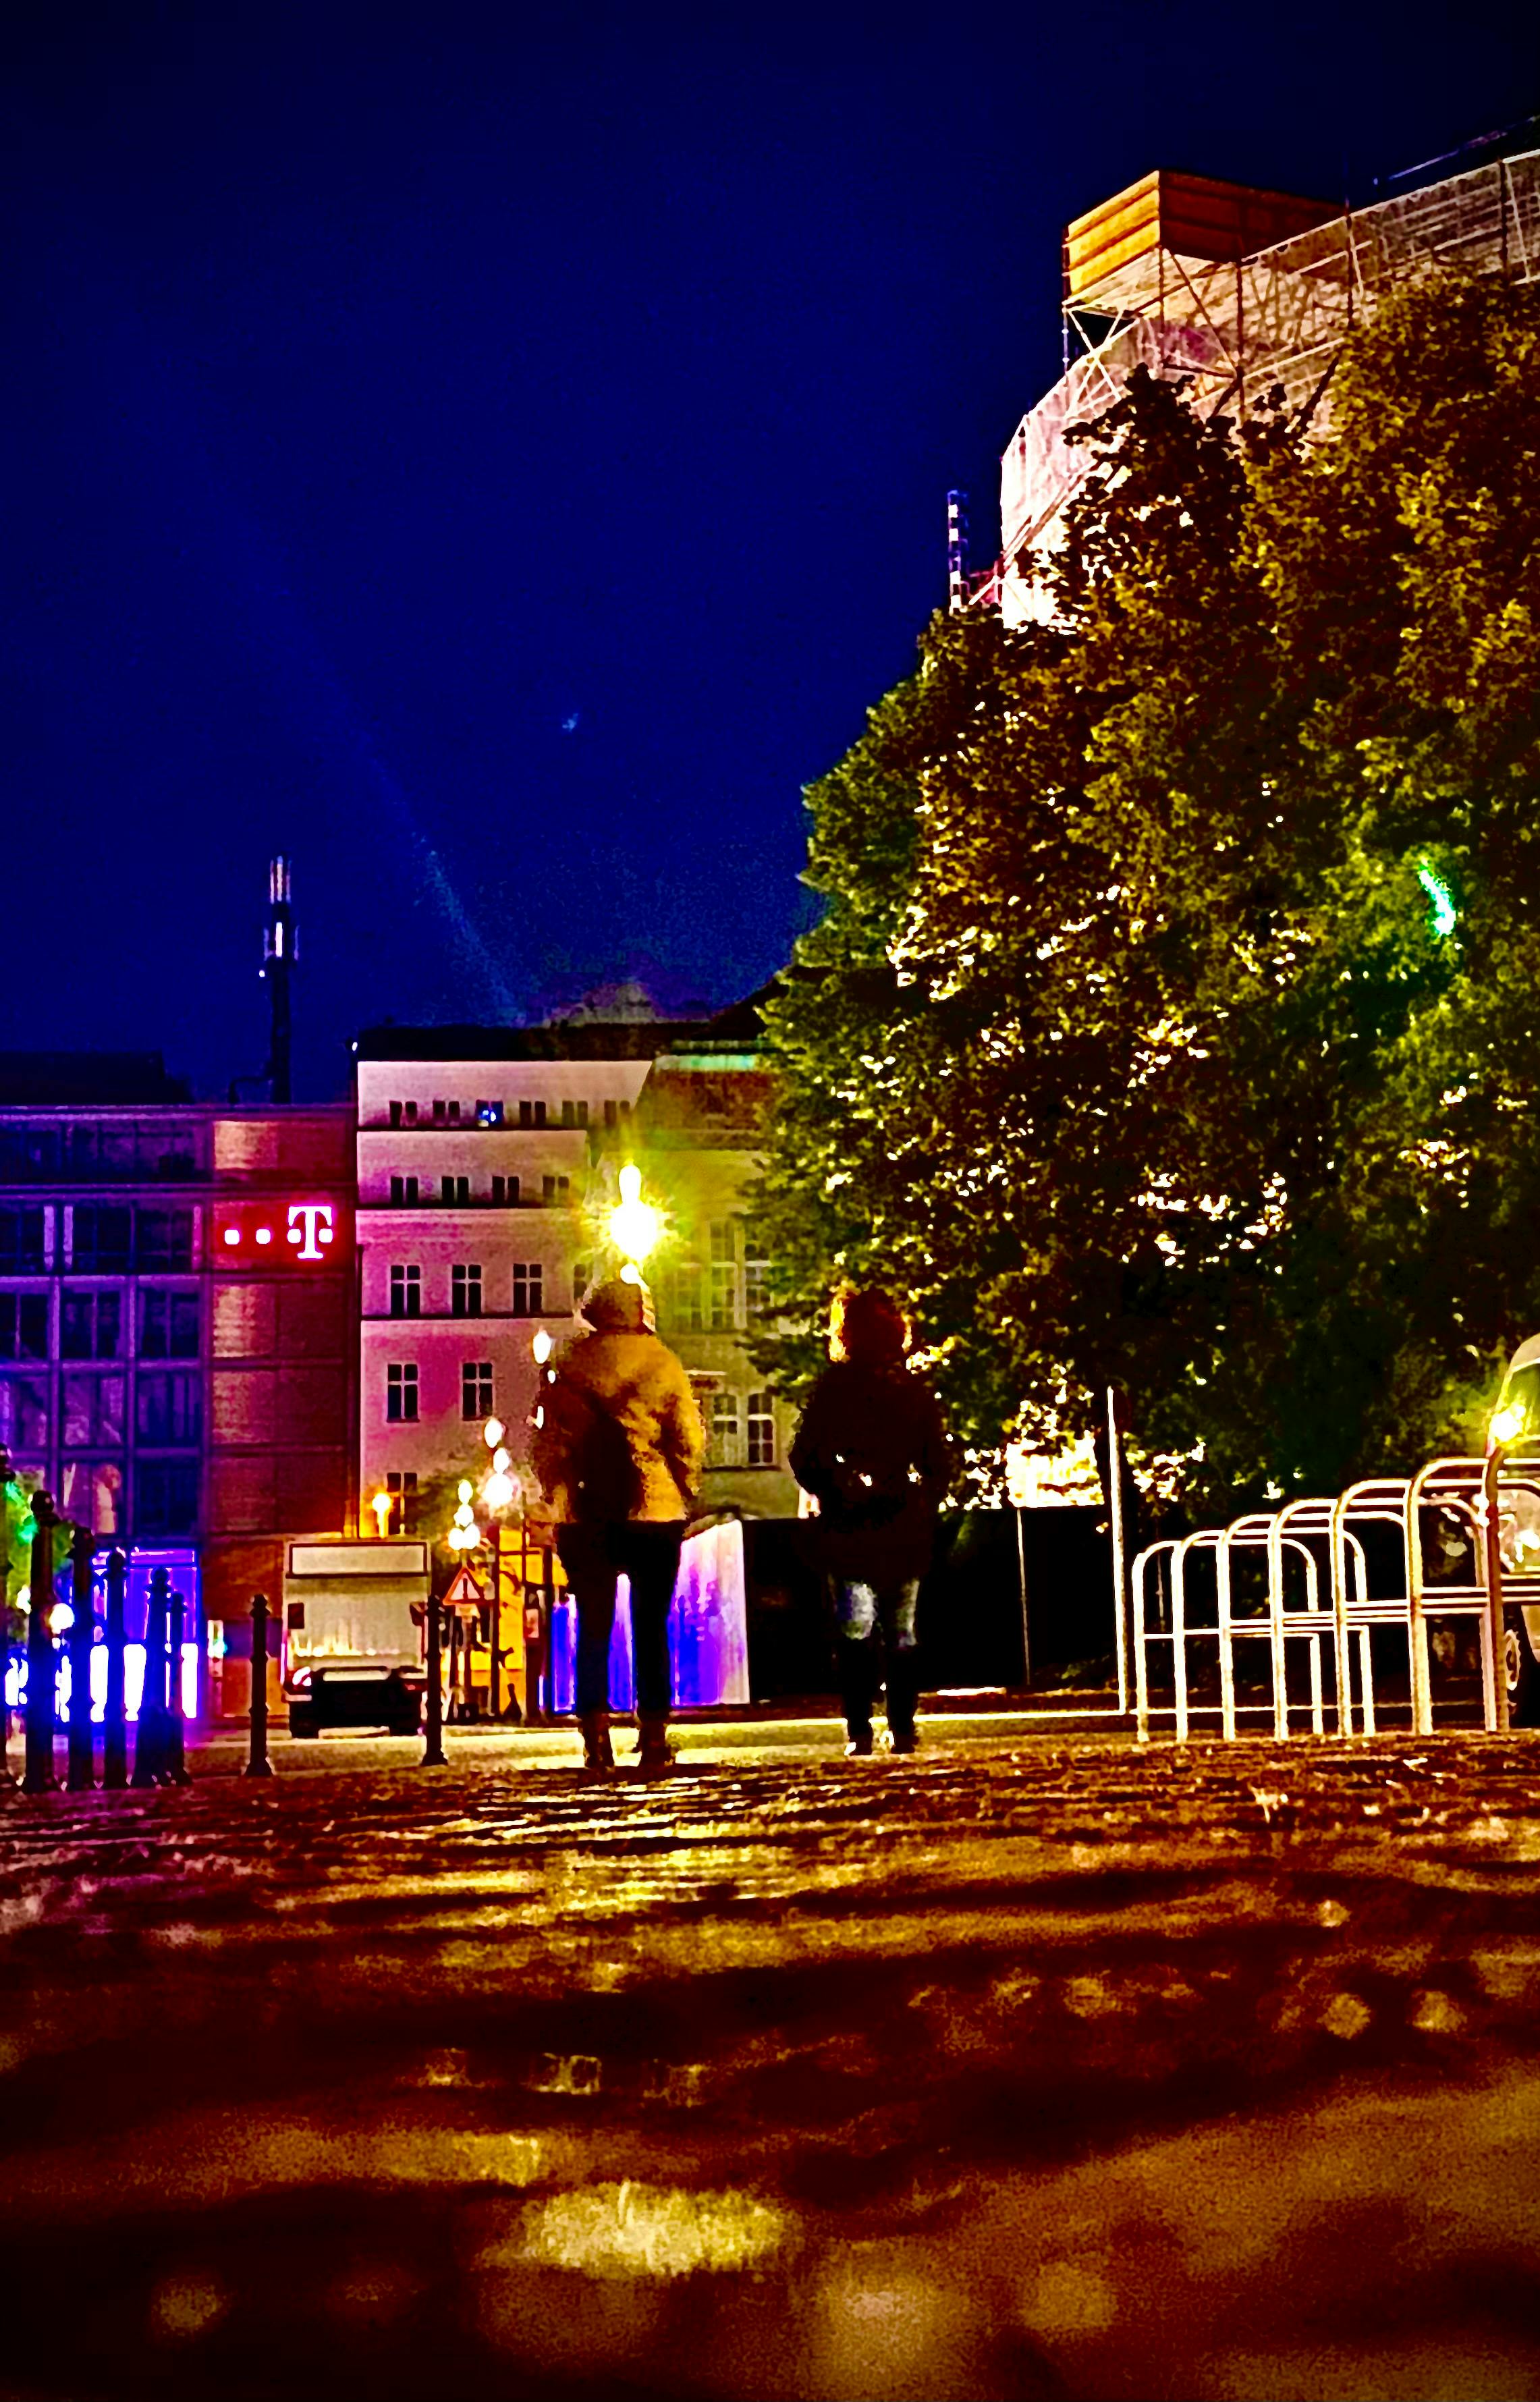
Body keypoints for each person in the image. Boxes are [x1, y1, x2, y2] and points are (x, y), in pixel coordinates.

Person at [530, 1273, 705, 1774]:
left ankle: (595, 1736)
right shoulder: (663, 1361)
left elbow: (545, 1442)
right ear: (638, 1309)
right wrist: (684, 1486)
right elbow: (686, 1438)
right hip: (652, 1510)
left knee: (593, 1624)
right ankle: (652, 1733)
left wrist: (555, 1494)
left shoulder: (568, 1363)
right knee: (652, 1626)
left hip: (585, 1514)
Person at [790, 1286, 953, 1757]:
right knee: (901, 1631)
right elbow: (939, 1462)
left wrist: (838, 1483)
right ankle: (901, 1725)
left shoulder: (833, 1389)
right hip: (903, 1520)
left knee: (855, 1629)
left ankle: (859, 1728)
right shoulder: (911, 1391)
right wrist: (921, 1496)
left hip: (851, 1523)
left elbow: (804, 1456)